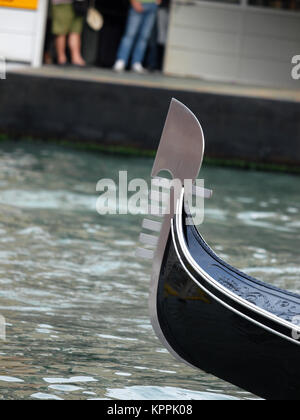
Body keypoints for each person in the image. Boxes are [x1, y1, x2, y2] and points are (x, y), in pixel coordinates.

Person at [113, 0, 161, 74]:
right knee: (130, 34)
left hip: (152, 5)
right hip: (138, 3)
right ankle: (121, 60)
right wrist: (134, 1)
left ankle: (136, 63)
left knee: (144, 37)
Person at [51, 0, 86, 67]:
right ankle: (61, 58)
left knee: (75, 30)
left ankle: (76, 57)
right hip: (62, 3)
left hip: (78, 3)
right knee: (61, 30)